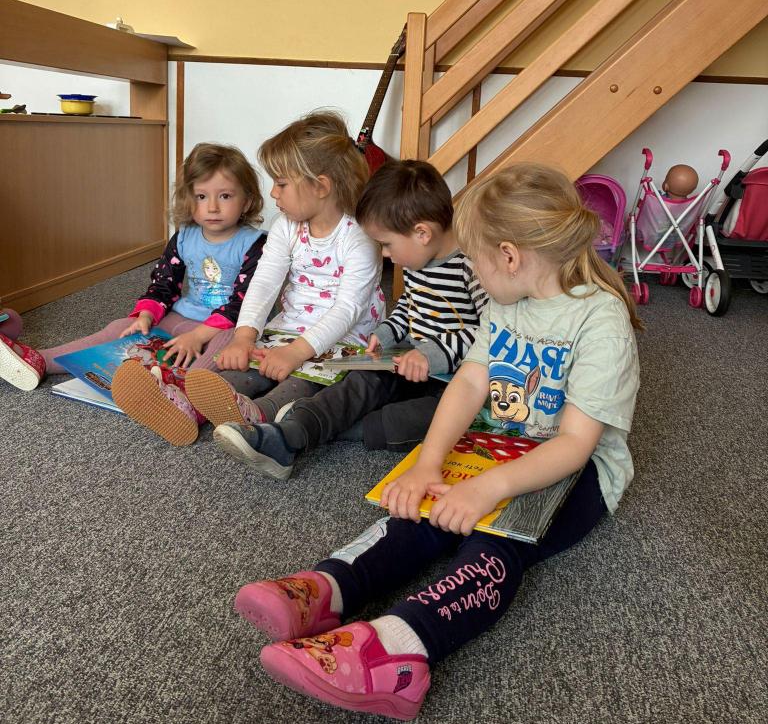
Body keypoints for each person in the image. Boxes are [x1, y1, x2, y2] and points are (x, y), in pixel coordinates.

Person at [229, 162, 641, 719]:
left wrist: (486, 489)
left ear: (509, 256)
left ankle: (399, 651)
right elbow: (470, 381)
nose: (469, 269)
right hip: (498, 443)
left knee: (494, 541)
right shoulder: (508, 301)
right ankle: (332, 587)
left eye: (473, 258)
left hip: (576, 468)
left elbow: (574, 444)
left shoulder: (600, 320)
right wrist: (429, 463)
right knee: (419, 511)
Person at [213, 159, 487, 479]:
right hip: (409, 362)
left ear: (422, 233)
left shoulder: (473, 268)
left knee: (416, 419)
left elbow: (490, 332)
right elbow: (409, 305)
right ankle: (287, 437)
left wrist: (434, 354)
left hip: (458, 381)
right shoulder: (417, 260)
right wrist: (387, 332)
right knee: (359, 382)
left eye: (387, 245)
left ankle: (330, 425)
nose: (385, 255)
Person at [0, 143, 267, 445]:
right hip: (183, 315)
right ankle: (43, 360)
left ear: (247, 201)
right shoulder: (185, 236)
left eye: (226, 196)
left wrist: (198, 336)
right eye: (201, 196)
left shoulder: (255, 244)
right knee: (121, 327)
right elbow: (164, 285)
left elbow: (243, 302)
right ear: (188, 199)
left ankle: (188, 399)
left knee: (228, 345)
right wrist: (147, 315)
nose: (213, 207)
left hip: (226, 325)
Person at [182, 111, 384, 453]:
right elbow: (264, 282)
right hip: (290, 326)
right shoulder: (287, 225)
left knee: (300, 380)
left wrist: (296, 352)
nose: (273, 193)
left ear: (321, 186)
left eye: (282, 184)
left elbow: (347, 310)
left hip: (344, 337)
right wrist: (244, 337)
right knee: (248, 364)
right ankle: (192, 407)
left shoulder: (359, 238)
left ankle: (260, 415)